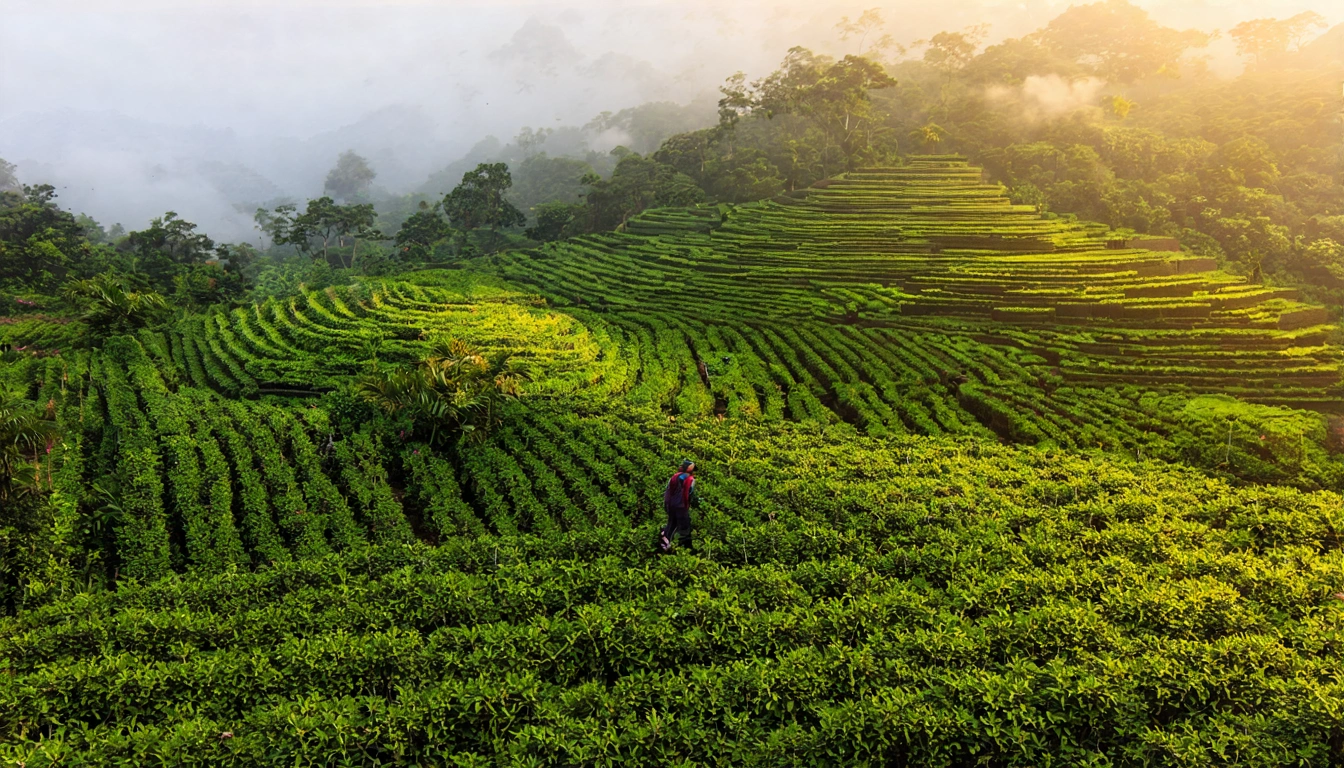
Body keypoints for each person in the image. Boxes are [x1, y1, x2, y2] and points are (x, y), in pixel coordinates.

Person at [656, 460, 698, 554]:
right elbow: (690, 493)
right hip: (681, 505)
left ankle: (664, 540)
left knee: (672, 522)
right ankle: (687, 548)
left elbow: (668, 490)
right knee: (685, 526)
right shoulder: (690, 479)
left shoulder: (675, 476)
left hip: (670, 504)